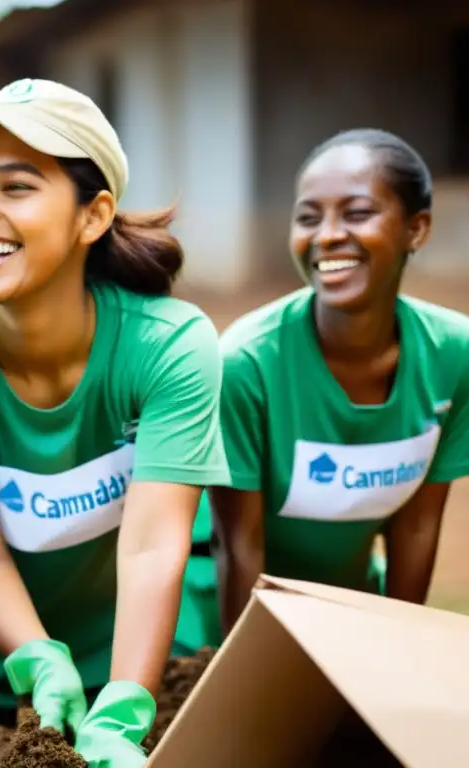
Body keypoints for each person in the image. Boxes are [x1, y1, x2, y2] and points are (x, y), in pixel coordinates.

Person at [0, 79, 230, 766]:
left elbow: (156, 543)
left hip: (128, 651)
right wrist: (36, 660)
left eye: (15, 187)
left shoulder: (169, 347)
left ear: (93, 216)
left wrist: (127, 704)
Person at [173, 128, 469, 654]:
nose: (327, 235)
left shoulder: (454, 356)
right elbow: (239, 545)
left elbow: (417, 529)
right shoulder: (246, 363)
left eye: (356, 214)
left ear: (416, 228)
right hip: (221, 611)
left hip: (347, 606)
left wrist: (399, 656)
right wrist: (252, 680)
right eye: (308, 217)